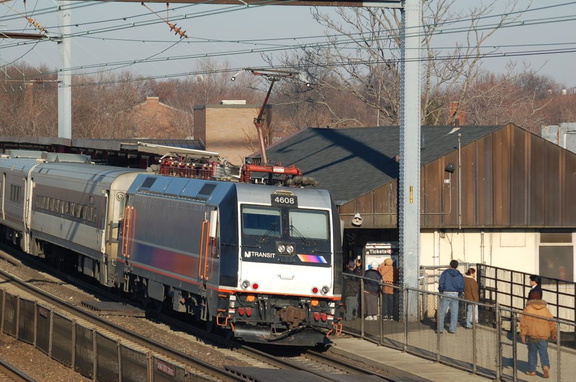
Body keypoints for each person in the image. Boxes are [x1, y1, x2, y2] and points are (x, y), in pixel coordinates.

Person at [520, 299, 556, 378]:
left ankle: (531, 370)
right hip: (544, 334)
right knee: (543, 352)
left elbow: (524, 323)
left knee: (532, 353)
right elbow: (551, 322)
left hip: (532, 334)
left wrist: (523, 335)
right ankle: (545, 366)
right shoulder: (545, 309)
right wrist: (553, 333)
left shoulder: (528, 309)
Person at [437, 259, 464, 333]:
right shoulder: (459, 275)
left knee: (442, 311)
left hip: (446, 292)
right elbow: (461, 285)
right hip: (455, 293)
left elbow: (441, 282)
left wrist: (441, 290)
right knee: (454, 312)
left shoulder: (445, 273)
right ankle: (452, 329)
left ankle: (440, 329)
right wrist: (459, 293)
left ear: (450, 265)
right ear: (457, 266)